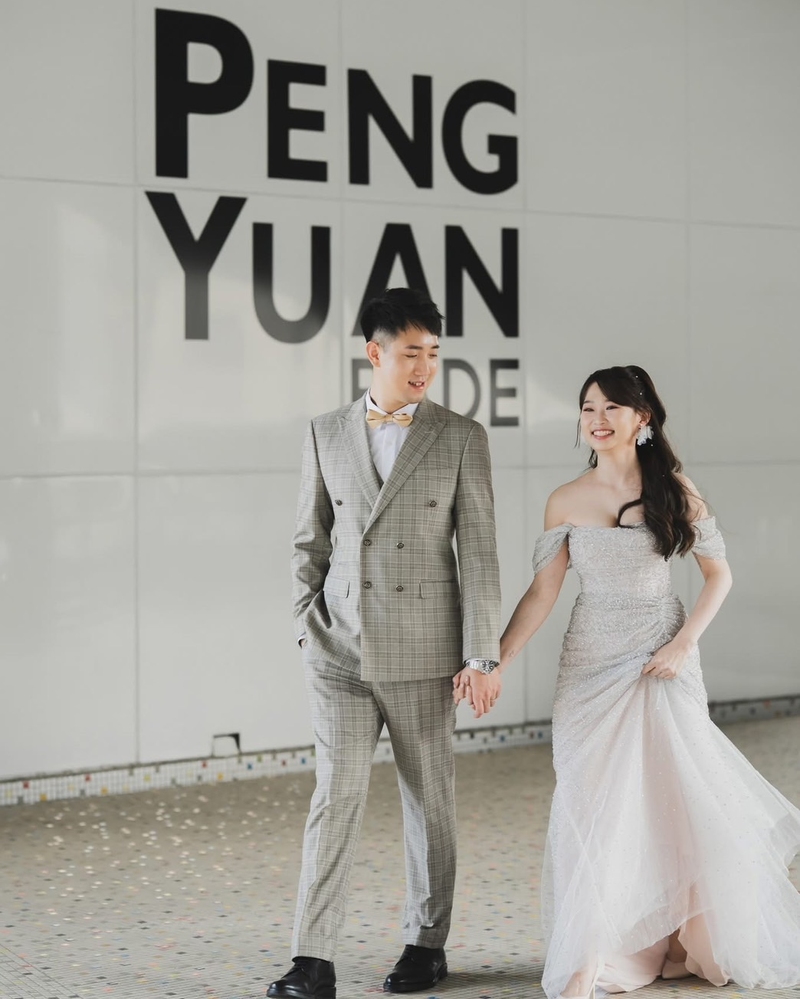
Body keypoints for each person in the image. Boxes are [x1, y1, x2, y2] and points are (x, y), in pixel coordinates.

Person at [474, 365, 800, 998]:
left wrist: (682, 644)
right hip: (589, 664)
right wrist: (498, 662)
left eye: (611, 408)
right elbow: (543, 593)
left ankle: (680, 937)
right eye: (587, 408)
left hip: (661, 658)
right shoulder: (565, 499)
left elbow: (720, 576)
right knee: (589, 798)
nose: (596, 420)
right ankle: (598, 944)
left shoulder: (675, 490)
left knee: (670, 796)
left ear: (642, 418)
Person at [268, 287, 503, 999]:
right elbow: (309, 540)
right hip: (337, 649)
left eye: (433, 353)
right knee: (333, 797)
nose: (425, 366)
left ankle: (426, 943)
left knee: (428, 801)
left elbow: (479, 556)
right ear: (375, 353)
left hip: (425, 653)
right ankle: (312, 960)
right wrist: (305, 623)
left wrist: (480, 655)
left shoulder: (460, 436)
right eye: (410, 353)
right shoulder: (324, 432)